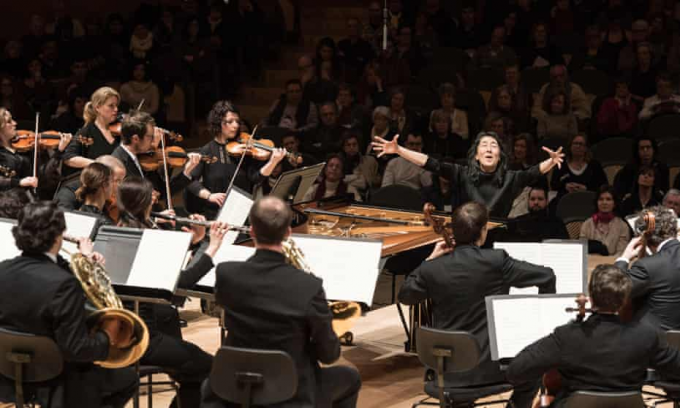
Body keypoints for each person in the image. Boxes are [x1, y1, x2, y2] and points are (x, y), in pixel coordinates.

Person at [203, 196, 362, 407]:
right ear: (288, 232)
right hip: (290, 393)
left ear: (251, 231)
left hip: (235, 386)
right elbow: (329, 355)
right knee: (350, 378)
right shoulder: (307, 285)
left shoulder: (227, 274)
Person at [399, 201, 556, 407]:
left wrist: (429, 260)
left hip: (445, 372)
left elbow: (406, 296)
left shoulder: (432, 269)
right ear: (483, 231)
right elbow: (547, 276)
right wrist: (538, 323)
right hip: (490, 371)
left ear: (454, 231)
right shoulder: (496, 261)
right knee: (535, 366)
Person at [0, 201, 137, 407]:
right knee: (128, 379)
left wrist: (84, 260)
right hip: (58, 382)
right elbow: (77, 349)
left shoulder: (3, 270)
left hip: (7, 375)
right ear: (58, 236)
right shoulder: (64, 284)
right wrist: (107, 335)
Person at [116, 176, 228, 408]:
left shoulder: (120, 230)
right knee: (212, 367)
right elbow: (182, 284)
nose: (156, 198)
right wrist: (212, 247)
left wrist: (193, 242)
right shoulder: (148, 236)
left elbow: (160, 273)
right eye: (152, 196)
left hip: (122, 331)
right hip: (146, 336)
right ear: (144, 202)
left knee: (191, 369)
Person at [507, 264, 680, 407]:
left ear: (591, 297)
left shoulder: (567, 336)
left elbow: (517, 369)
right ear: (625, 299)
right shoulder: (646, 336)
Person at [372, 131, 565, 218]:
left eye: (494, 145)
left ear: (500, 156)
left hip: (497, 240)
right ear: (477, 155)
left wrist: (552, 160)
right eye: (484, 145)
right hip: (467, 240)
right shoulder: (462, 173)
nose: (489, 148)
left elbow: (533, 172)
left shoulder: (511, 178)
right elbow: (431, 163)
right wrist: (399, 151)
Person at [186, 101, 286, 219]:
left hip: (242, 212)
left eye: (237, 121)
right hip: (214, 214)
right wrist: (209, 196)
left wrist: (272, 162)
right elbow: (190, 180)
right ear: (218, 123)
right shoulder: (206, 151)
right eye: (230, 121)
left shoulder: (244, 150)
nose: (236, 125)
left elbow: (255, 178)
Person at [111, 110, 198, 206]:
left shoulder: (145, 157)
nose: (154, 141)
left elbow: (162, 192)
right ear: (135, 139)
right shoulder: (118, 163)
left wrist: (187, 171)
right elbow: (125, 205)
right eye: (150, 137)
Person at [615, 206, 680, 330]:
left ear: (643, 237)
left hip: (655, 342)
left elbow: (615, 290)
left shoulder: (647, 266)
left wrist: (624, 258)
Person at [63, 86, 121, 173]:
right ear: (98, 107)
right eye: (111, 106)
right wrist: (97, 164)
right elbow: (68, 157)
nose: (116, 109)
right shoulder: (87, 131)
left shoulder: (122, 129)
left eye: (116, 105)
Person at [54, 154, 126, 211]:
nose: (120, 186)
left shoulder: (108, 199)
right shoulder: (68, 193)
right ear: (102, 177)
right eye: (117, 180)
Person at [550, 134, 608, 199]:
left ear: (586, 148)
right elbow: (554, 184)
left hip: (589, 200)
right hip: (565, 200)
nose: (578, 146)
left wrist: (586, 188)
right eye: (575, 143)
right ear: (570, 146)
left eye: (581, 144)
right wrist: (565, 186)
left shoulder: (595, 165)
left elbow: (603, 185)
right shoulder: (561, 164)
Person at [580, 185, 631, 256]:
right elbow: (582, 251)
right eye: (601, 199)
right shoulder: (587, 224)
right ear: (597, 202)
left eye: (608, 199)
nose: (604, 202)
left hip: (613, 265)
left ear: (614, 203)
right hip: (590, 263)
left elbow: (621, 252)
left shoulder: (623, 226)